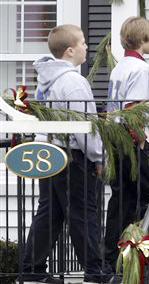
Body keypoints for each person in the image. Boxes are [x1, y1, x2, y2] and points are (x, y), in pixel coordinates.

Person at [18, 24, 112, 284]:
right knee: (84, 213)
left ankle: (33, 269)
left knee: (50, 214)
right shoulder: (73, 81)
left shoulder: (46, 81)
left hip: (48, 152)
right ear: (70, 51)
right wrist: (98, 157)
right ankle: (96, 271)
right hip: (71, 155)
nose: (86, 47)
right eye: (82, 43)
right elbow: (87, 126)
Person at [104, 17, 149, 272]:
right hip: (129, 140)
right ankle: (133, 254)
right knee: (140, 199)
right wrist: (143, 141)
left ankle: (110, 254)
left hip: (114, 138)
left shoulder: (119, 66)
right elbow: (132, 108)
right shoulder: (140, 68)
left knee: (119, 199)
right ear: (143, 40)